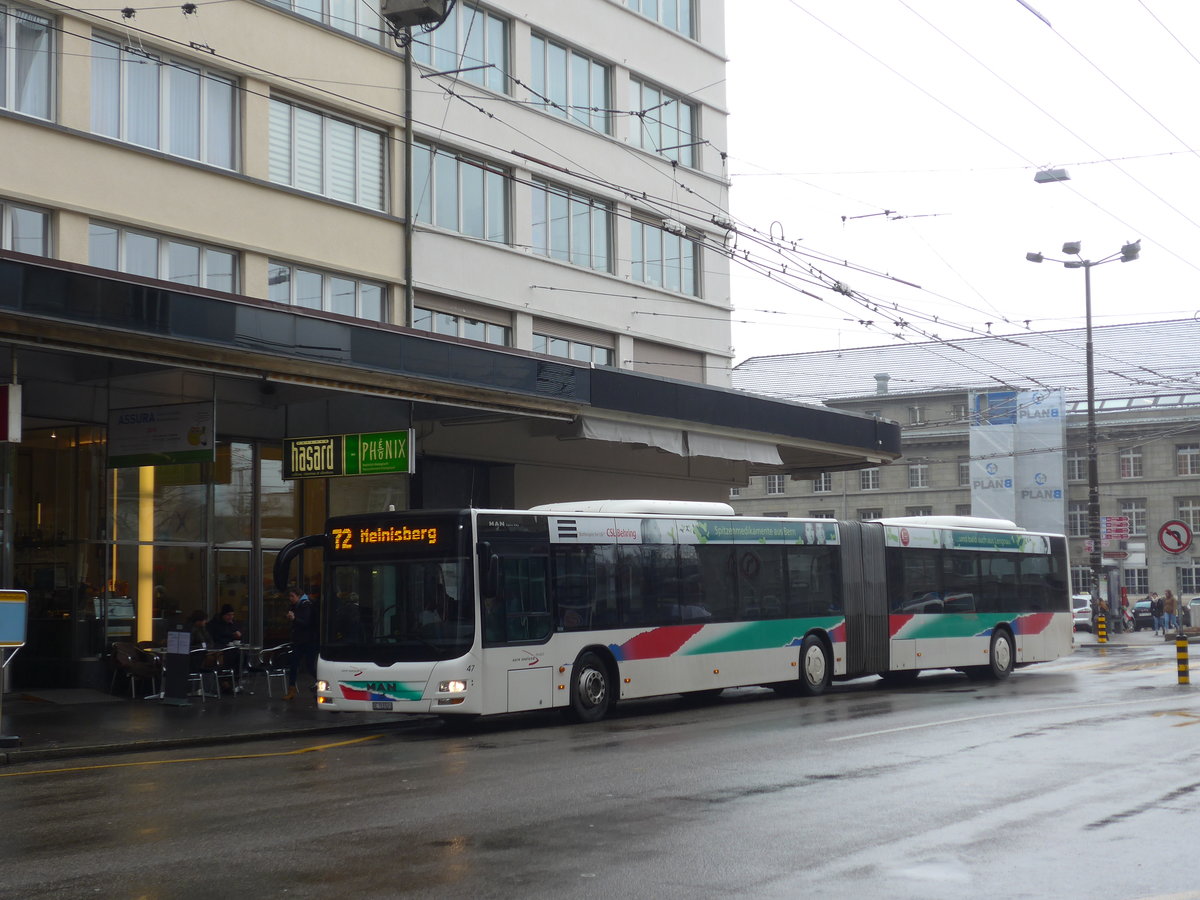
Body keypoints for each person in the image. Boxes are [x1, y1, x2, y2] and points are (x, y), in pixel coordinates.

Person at [284, 588, 317, 701]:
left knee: (309, 665)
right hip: (299, 641)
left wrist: (294, 619)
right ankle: (291, 689)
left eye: (292, 596)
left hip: (308, 641)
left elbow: (306, 623)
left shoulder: (306, 605)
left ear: (299, 596)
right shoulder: (296, 605)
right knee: (294, 665)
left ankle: (323, 683)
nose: (290, 598)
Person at [209, 604, 244, 692]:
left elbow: (238, 634)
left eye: (232, 615)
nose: (230, 617)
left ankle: (235, 678)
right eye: (228, 615)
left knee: (242, 655)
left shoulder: (232, 624)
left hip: (231, 648)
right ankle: (225, 680)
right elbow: (217, 637)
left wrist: (237, 635)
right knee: (229, 657)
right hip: (220, 649)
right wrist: (231, 635)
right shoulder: (216, 624)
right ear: (223, 615)